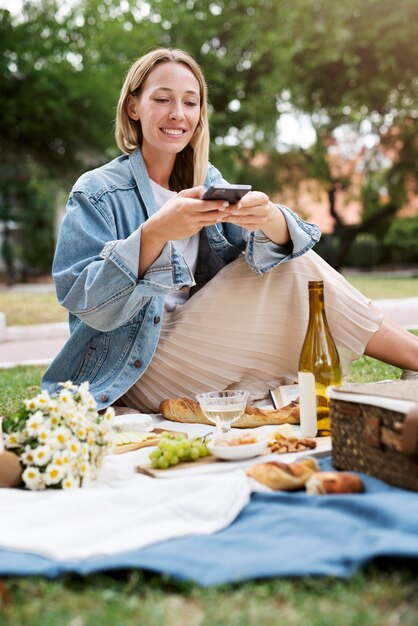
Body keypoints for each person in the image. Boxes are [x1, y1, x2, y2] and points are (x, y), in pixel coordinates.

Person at [42, 48, 418, 413]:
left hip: (193, 344)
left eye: (190, 102)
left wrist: (268, 218)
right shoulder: (97, 191)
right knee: (297, 271)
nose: (178, 114)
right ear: (133, 107)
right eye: (162, 99)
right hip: (133, 367)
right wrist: (154, 233)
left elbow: (271, 255)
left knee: (291, 265)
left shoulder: (206, 179)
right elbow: (83, 300)